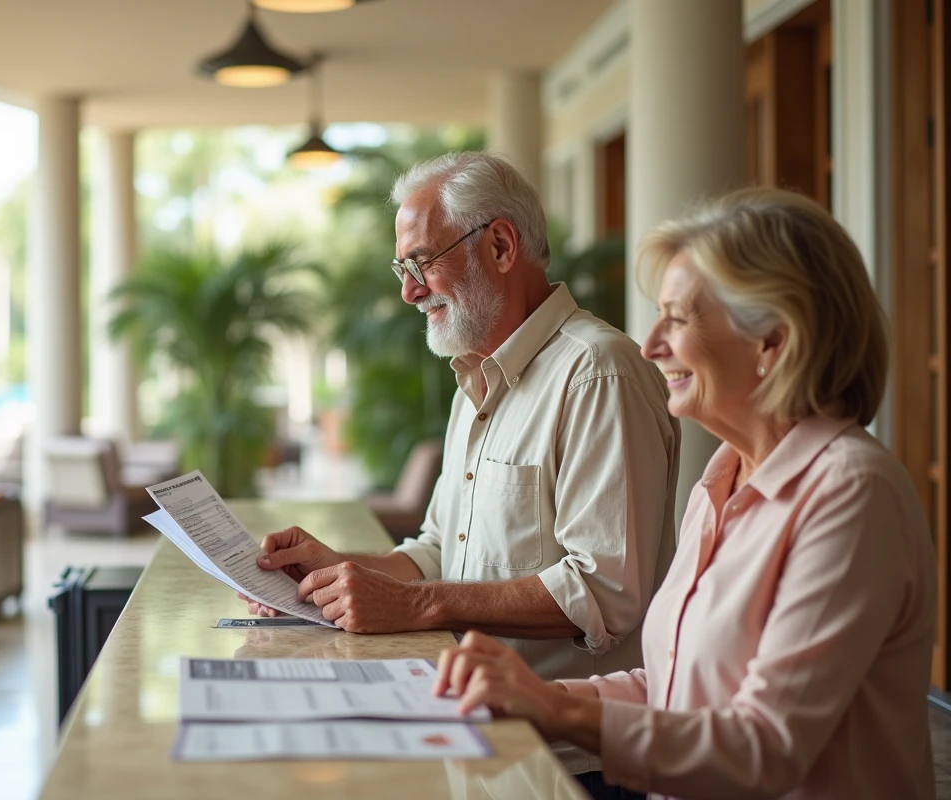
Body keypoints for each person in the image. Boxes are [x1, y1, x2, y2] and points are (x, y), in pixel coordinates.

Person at [435, 187, 936, 800]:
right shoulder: (725, 478)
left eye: (678, 317)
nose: (650, 345)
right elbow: (676, 687)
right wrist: (533, 696)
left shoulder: (852, 492)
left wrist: (558, 713)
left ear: (772, 341)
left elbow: (765, 747)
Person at [242, 152, 680, 777]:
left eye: (420, 262)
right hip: (473, 736)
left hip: (567, 763)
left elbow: (604, 593)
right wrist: (335, 570)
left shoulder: (597, 373)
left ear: (500, 245)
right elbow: (440, 552)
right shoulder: (474, 379)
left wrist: (417, 605)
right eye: (403, 267)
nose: (407, 291)